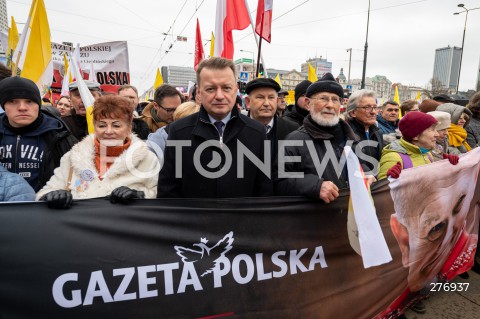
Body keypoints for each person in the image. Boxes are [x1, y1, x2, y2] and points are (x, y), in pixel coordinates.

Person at [157, 57, 273, 198]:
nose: (219, 96)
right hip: (193, 219)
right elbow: (168, 190)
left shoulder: (257, 132)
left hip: (243, 219)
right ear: (199, 93)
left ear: (235, 90)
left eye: (226, 88)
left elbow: (264, 190)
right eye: (211, 89)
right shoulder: (178, 131)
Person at [381, 151, 478, 318]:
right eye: (435, 228)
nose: (448, 237)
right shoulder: (394, 156)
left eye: (458, 207)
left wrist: (451, 167)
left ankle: (414, 298)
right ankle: (397, 307)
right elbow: (382, 197)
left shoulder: (429, 155)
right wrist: (386, 180)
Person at [36, 95, 159, 208]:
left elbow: (160, 198)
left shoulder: (148, 159)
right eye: (102, 125)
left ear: (129, 128)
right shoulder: (72, 157)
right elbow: (46, 192)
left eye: (116, 125)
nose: (109, 131)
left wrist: (140, 195)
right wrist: (52, 196)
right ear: (94, 126)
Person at [274, 73, 375, 202]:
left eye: (335, 99)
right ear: (308, 103)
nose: (330, 105)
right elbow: (280, 182)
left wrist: (367, 174)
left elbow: (361, 166)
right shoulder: (294, 141)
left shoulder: (353, 139)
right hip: (315, 219)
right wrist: (315, 186)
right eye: (323, 98)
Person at [0, 77, 77, 192]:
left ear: (38, 105)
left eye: (29, 101)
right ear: (3, 106)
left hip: (45, 207)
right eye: (13, 101)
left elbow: (78, 178)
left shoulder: (60, 137)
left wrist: (61, 192)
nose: (22, 108)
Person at [378, 111, 459, 180]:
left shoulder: (427, 153)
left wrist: (446, 166)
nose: (437, 134)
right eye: (432, 130)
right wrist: (390, 181)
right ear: (415, 136)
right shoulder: (394, 158)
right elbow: (383, 194)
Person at [244, 78, 298, 162]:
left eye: (271, 98)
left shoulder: (291, 130)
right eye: (260, 97)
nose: (266, 103)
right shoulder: (234, 129)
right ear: (248, 102)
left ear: (276, 101)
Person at [345, 89, 383, 176]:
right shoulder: (345, 133)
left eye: (375, 107)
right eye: (367, 108)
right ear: (353, 112)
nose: (373, 112)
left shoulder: (378, 132)